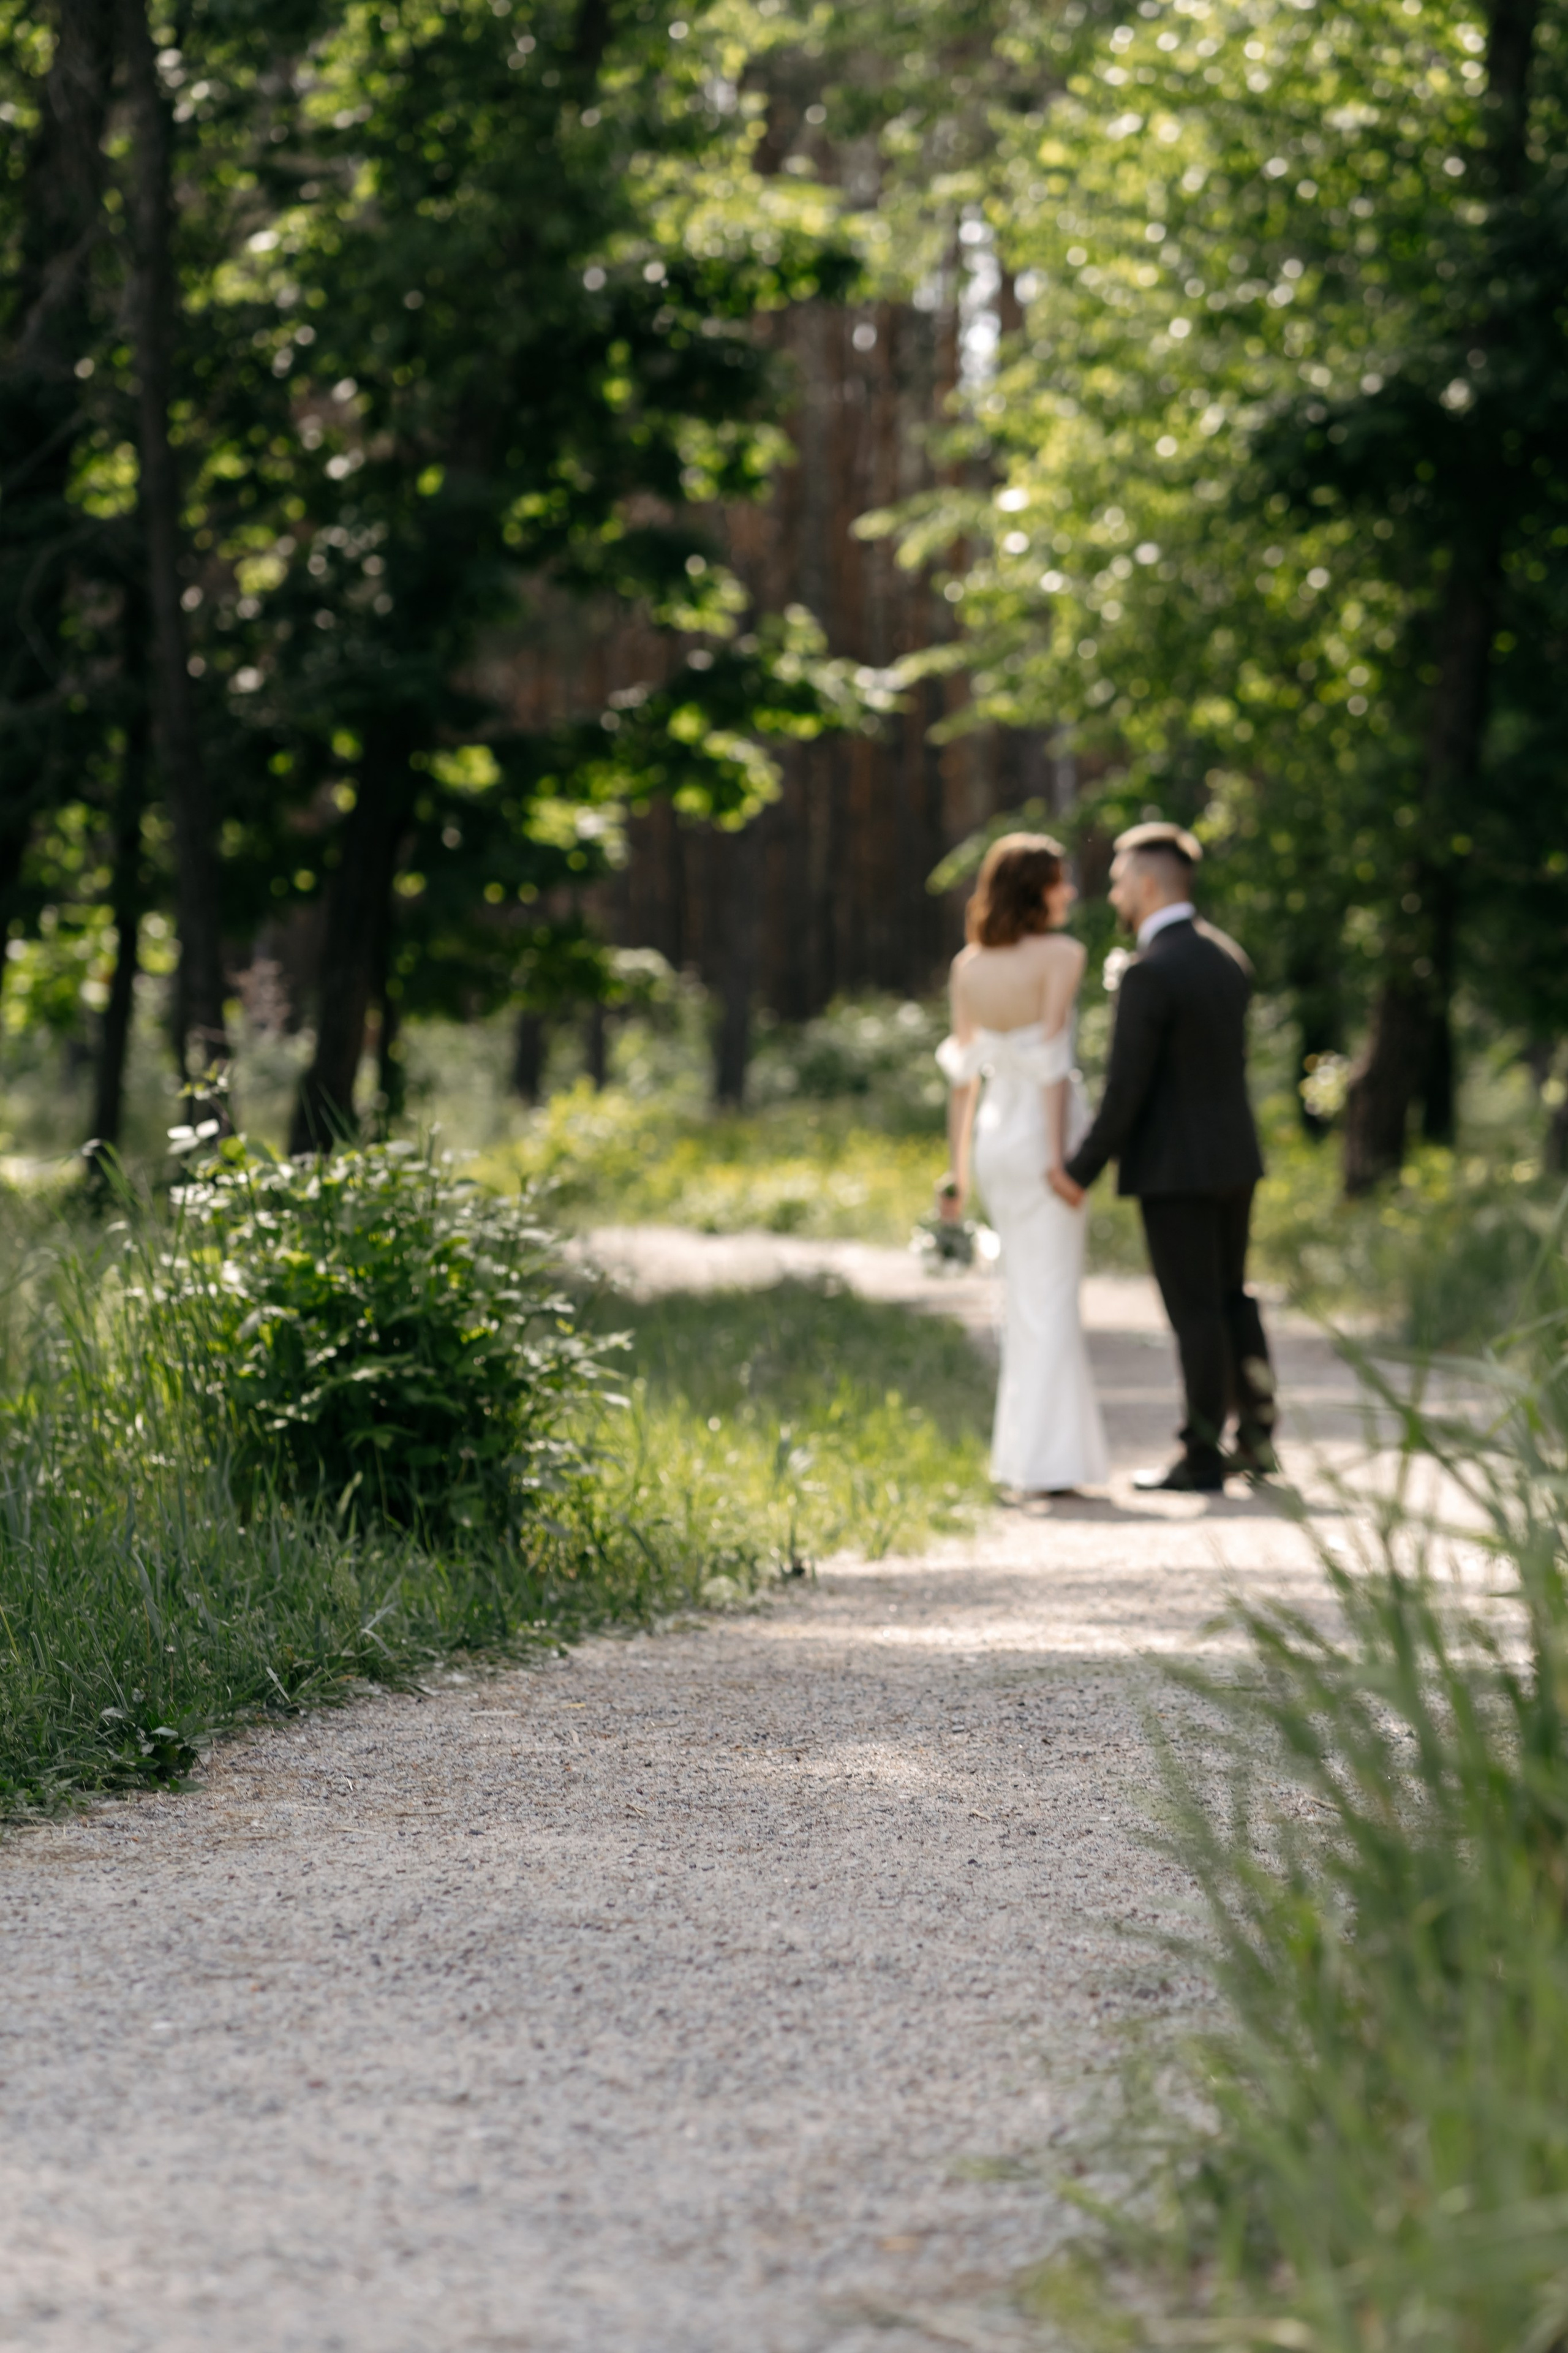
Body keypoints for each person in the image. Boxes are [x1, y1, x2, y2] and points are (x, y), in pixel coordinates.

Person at [1047, 821, 1277, 1493]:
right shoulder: (1226, 956)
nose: (1114, 893)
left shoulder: (1150, 971)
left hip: (1175, 1168)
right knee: (1233, 1298)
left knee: (1194, 1311)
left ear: (1147, 885)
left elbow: (1127, 1091)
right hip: (1235, 1158)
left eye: (1119, 881)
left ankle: (1201, 1456)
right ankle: (1257, 1439)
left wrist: (1076, 1170)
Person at [935, 833, 1109, 1497]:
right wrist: (1061, 1160)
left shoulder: (968, 966)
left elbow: (962, 1078)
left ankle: (1026, 1458)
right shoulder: (1063, 955)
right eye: (1059, 881)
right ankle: (1047, 1462)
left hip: (992, 1139)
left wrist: (954, 1176)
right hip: (1041, 1133)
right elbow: (1052, 1064)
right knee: (1051, 1295)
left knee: (1024, 1294)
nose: (1068, 893)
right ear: (1034, 887)